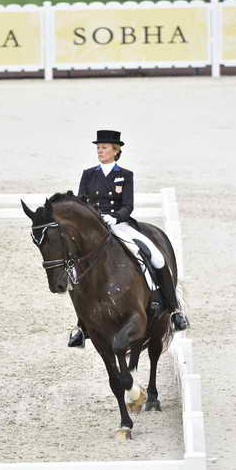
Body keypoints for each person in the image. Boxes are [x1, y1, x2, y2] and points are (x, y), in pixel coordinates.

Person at [68, 130, 188, 347]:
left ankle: (173, 311)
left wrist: (114, 218)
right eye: (98, 147)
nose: (100, 151)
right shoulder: (88, 174)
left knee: (156, 257)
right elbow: (80, 204)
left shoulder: (125, 174)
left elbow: (128, 205)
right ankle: (80, 326)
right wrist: (93, 220)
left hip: (120, 225)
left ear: (116, 151)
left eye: (104, 147)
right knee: (76, 268)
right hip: (95, 230)